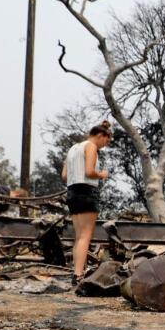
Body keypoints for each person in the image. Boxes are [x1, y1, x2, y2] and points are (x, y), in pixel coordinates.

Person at [61, 120, 112, 285]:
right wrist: (102, 174)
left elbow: (64, 176)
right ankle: (78, 275)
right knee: (85, 236)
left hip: (72, 192)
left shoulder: (72, 149)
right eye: (106, 140)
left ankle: (76, 272)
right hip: (86, 191)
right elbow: (89, 172)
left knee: (79, 237)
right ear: (100, 135)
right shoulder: (91, 146)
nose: (105, 144)